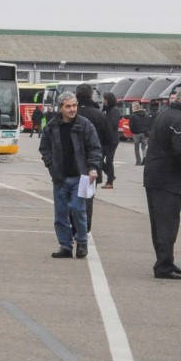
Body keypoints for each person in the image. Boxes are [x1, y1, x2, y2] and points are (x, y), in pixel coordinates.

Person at [144, 88, 181, 279]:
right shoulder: (180, 120)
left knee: (159, 225)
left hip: (154, 177)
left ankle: (165, 261)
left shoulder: (166, 114)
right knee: (168, 225)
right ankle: (164, 267)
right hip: (167, 180)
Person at [38, 92, 102, 258]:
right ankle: (65, 245)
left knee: (77, 209)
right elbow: (44, 148)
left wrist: (93, 167)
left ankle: (81, 242)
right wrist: (51, 165)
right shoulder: (52, 127)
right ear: (60, 108)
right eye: (68, 106)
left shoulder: (85, 124)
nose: (72, 109)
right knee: (60, 214)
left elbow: (95, 147)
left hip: (80, 177)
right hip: (59, 177)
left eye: (74, 105)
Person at [74, 84, 117, 221]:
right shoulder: (99, 114)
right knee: (87, 198)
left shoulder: (69, 113)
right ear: (91, 95)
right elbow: (109, 138)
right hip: (91, 163)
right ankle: (85, 230)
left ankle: (72, 227)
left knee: (69, 197)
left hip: (69, 162)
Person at [101, 92, 123, 186]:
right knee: (98, 159)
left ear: (108, 100)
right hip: (104, 139)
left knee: (109, 161)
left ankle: (110, 181)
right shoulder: (105, 110)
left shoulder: (115, 110)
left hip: (112, 140)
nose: (102, 100)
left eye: (104, 98)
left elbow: (112, 124)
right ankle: (111, 175)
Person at [128, 100, 153, 166]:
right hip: (144, 133)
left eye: (132, 107)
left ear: (135, 108)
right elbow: (148, 124)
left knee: (136, 148)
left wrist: (132, 131)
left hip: (136, 134)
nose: (132, 108)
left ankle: (138, 161)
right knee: (144, 147)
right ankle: (144, 158)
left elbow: (131, 125)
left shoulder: (133, 116)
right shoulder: (146, 115)